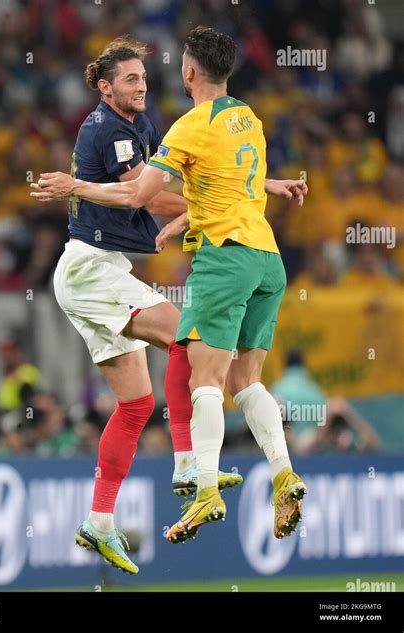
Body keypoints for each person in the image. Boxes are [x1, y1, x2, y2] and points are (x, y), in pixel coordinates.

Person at [31, 29, 309, 561]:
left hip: (102, 268)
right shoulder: (110, 128)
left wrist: (259, 186)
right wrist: (80, 187)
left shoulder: (150, 124)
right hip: (91, 268)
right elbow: (147, 195)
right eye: (130, 78)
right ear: (105, 88)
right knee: (188, 339)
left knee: (136, 404)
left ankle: (99, 520)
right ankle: (189, 463)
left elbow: (209, 175)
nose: (142, 84)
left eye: (143, 75)